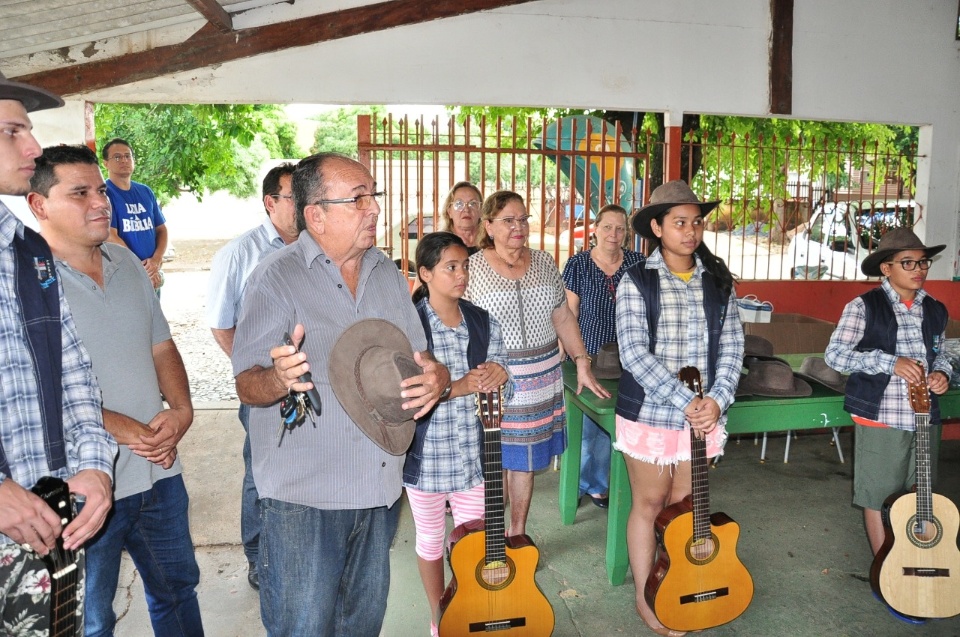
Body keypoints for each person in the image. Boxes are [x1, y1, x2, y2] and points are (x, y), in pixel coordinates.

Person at [231, 152, 451, 635]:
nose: (375, 209)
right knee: (304, 627)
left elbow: (421, 359)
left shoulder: (389, 276)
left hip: (377, 489)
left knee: (361, 625)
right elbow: (246, 382)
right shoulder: (275, 277)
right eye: (359, 199)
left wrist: (439, 377)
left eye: (374, 196)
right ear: (316, 214)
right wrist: (279, 378)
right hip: (305, 496)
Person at [28, 144, 204, 636]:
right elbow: (34, 388)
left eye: (100, 191)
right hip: (82, 486)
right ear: (39, 205)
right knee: (90, 616)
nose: (100, 203)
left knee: (177, 592)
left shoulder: (127, 264)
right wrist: (119, 427)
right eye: (80, 193)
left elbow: (161, 346)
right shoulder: (26, 284)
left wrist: (183, 410)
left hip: (159, 470)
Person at [0, 71, 116, 635]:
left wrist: (94, 466)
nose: (32, 147)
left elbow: (74, 373)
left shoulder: (26, 252)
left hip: (46, 526)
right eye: (11, 132)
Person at [615, 180, 743, 637]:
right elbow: (633, 353)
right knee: (650, 503)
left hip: (703, 416)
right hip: (651, 414)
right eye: (680, 222)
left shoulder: (718, 281)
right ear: (657, 227)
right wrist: (687, 400)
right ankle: (644, 596)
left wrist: (717, 399)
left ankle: (678, 584)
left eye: (697, 222)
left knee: (683, 508)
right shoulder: (637, 280)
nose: (691, 231)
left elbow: (732, 347)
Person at [465, 190, 608, 537]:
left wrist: (582, 362)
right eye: (508, 220)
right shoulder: (472, 267)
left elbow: (563, 317)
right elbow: (458, 322)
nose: (518, 227)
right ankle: (490, 530)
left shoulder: (544, 262)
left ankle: (516, 533)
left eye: (523, 219)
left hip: (541, 380)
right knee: (495, 460)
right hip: (494, 382)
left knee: (525, 464)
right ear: (489, 225)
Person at [824, 229, 951, 580]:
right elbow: (835, 355)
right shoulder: (864, 307)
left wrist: (942, 374)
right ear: (886, 268)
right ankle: (888, 571)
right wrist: (888, 361)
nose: (919, 269)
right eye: (908, 263)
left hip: (925, 417)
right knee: (878, 495)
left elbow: (942, 355)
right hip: (882, 414)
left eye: (922, 261)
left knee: (921, 495)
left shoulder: (936, 310)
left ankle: (921, 566)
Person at [404, 232, 511, 636]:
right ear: (426, 273)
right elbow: (406, 395)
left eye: (465, 266)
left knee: (476, 543)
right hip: (427, 457)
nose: (461, 274)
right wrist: (462, 385)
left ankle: (472, 609)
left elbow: (504, 384)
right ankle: (440, 618)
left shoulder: (482, 321)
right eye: (451, 267)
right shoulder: (410, 326)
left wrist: (502, 376)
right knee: (431, 541)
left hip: (474, 455)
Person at [206, 162, 298, 590]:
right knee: (259, 470)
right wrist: (253, 374)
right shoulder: (240, 253)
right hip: (262, 386)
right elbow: (222, 325)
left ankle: (295, 550)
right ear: (270, 202)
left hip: (310, 385)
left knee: (300, 468)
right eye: (294, 197)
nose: (304, 205)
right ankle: (258, 556)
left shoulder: (317, 249)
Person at [562, 204, 644, 509]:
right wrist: (572, 354)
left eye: (620, 228)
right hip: (588, 356)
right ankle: (587, 483)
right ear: (595, 229)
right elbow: (569, 313)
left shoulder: (638, 263)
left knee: (619, 421)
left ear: (627, 233)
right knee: (589, 428)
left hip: (628, 359)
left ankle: (598, 482)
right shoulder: (578, 264)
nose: (614, 234)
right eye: (607, 227)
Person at [101, 138, 167, 292]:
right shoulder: (105, 194)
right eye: (117, 157)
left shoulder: (145, 191)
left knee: (154, 315)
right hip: (125, 274)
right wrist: (140, 267)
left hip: (153, 273)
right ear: (105, 163)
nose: (124, 160)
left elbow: (162, 229)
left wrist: (155, 261)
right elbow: (111, 235)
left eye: (127, 156)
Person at [440, 181, 483, 252]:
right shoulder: (439, 245)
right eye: (459, 204)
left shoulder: (491, 243)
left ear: (481, 211)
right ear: (449, 212)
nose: (466, 209)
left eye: (473, 204)